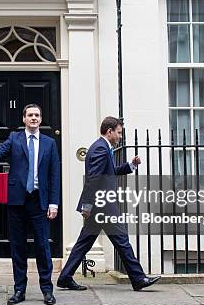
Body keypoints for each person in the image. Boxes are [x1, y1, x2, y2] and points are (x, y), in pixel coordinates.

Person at [57, 116, 160, 292]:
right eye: (118, 133)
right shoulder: (101, 149)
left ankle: (65, 277)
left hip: (99, 205)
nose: (120, 137)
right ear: (109, 131)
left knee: (85, 242)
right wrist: (87, 205)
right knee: (122, 240)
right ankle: (138, 278)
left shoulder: (103, 147)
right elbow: (93, 179)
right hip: (102, 205)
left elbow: (109, 173)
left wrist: (130, 165)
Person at [0, 104, 60, 305]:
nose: (34, 118)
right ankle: (19, 290)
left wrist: (54, 203)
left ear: (41, 119)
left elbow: (54, 175)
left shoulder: (49, 143)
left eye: (37, 115)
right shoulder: (14, 139)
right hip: (17, 201)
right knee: (18, 248)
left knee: (43, 247)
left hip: (39, 201)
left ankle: (47, 290)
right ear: (24, 119)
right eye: (30, 115)